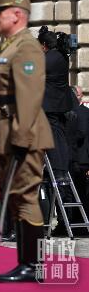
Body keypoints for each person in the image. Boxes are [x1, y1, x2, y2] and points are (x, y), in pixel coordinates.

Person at [0, 0, 54, 282]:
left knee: (26, 196)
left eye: (0, 13)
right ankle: (25, 263)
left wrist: (21, 138)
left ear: (17, 15)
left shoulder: (26, 46)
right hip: (8, 131)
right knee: (17, 198)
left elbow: (29, 96)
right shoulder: (10, 46)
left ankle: (33, 265)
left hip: (22, 132)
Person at [37, 26, 77, 236]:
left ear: (44, 45)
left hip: (49, 108)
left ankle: (58, 168)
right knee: (58, 141)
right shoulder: (61, 57)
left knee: (53, 146)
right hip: (59, 107)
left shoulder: (49, 58)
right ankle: (60, 168)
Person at [68, 86, 89, 236]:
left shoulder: (81, 112)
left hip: (81, 160)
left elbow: (81, 133)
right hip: (77, 159)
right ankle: (77, 224)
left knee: (80, 194)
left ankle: (81, 225)